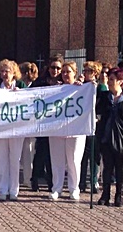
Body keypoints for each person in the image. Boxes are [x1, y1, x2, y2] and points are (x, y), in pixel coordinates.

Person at [97, 68, 123, 207]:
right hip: (107, 137)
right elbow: (97, 111)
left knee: (120, 168)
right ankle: (105, 194)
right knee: (107, 167)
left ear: (120, 81)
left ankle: (119, 195)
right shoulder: (104, 96)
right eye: (108, 79)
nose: (109, 82)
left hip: (122, 139)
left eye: (112, 79)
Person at [47, 61, 86, 201]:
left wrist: (85, 87)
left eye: (68, 72)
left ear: (75, 73)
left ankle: (74, 189)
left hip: (75, 130)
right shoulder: (57, 88)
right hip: (57, 130)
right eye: (63, 72)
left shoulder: (81, 88)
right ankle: (56, 188)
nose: (64, 75)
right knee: (57, 161)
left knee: (74, 161)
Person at [0, 60, 27, 201]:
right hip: (0, 128)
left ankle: (14, 190)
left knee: (14, 158)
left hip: (16, 128)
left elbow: (29, 100)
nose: (4, 74)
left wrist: (21, 95)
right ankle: (2, 190)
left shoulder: (20, 85)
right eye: (2, 71)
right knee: (0, 158)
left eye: (7, 71)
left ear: (14, 73)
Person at [30, 54, 63, 192]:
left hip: (58, 123)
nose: (55, 71)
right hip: (43, 122)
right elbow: (31, 94)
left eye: (58, 68)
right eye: (52, 67)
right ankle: (35, 179)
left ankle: (51, 182)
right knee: (41, 152)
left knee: (53, 154)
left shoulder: (65, 83)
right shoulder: (41, 81)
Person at [78, 61, 103, 194]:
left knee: (94, 155)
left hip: (95, 125)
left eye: (88, 71)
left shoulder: (99, 87)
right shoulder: (82, 85)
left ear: (95, 73)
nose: (85, 73)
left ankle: (93, 181)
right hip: (82, 124)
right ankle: (81, 182)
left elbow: (103, 105)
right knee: (83, 154)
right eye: (85, 71)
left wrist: (98, 117)